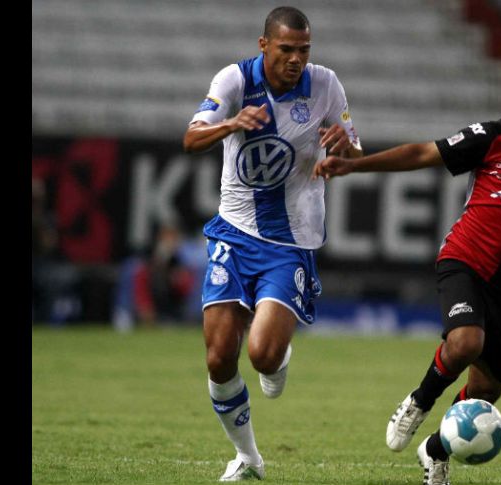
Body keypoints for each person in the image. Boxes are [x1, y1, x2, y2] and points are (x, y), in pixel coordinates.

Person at [314, 53, 501, 485]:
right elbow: (423, 152)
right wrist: (356, 164)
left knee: (487, 393)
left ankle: (435, 449)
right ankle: (420, 399)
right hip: (466, 259)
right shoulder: (495, 136)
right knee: (465, 342)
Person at [183, 6, 362, 481]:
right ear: (264, 45)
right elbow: (191, 137)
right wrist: (231, 123)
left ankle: (277, 352)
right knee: (220, 357)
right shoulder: (233, 81)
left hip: (291, 240)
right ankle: (248, 457)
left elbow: (356, 149)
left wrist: (345, 145)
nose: (296, 59)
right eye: (286, 49)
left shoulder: (325, 85)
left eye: (304, 50)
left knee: (261, 355)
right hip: (234, 232)